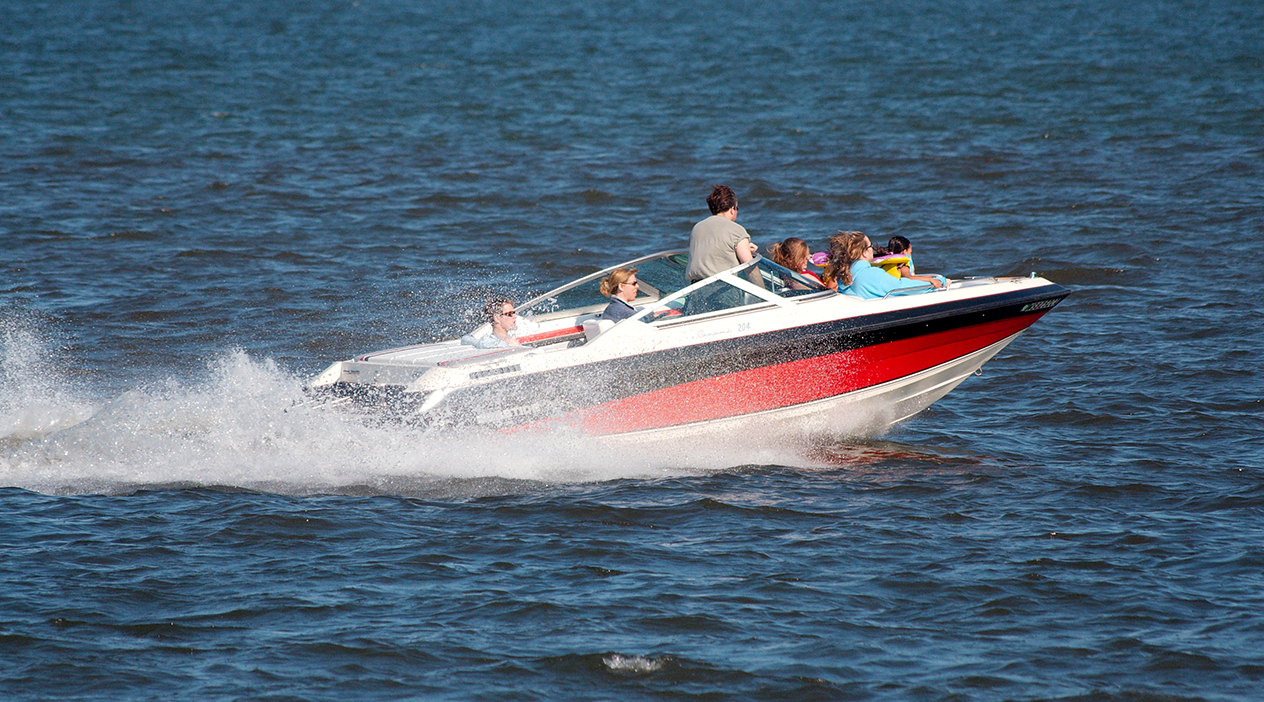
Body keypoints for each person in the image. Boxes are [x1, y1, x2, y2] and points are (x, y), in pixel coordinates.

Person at [822, 231, 943, 299]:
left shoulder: (843, 276)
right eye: (870, 247)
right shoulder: (872, 275)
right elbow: (902, 287)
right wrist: (937, 281)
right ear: (864, 252)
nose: (873, 250)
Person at [685, 185, 757, 283]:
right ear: (732, 209)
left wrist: (744, 248)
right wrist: (766, 292)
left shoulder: (696, 228)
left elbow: (712, 251)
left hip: (695, 289)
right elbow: (750, 268)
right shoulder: (736, 230)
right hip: (723, 289)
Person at [767, 236, 833, 290]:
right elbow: (830, 291)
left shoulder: (785, 275)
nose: (807, 258)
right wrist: (834, 274)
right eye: (803, 256)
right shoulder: (804, 278)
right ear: (790, 259)